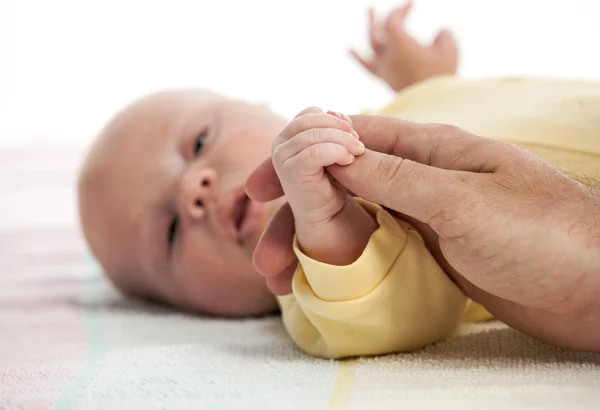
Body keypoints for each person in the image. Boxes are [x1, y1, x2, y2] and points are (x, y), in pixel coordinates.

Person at [77, 2, 600, 357]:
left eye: (196, 144)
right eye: (168, 232)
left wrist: (427, 83)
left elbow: (452, 118)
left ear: (259, 104)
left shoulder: (389, 118)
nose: (193, 190)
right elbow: (398, 311)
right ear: (191, 308)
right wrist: (326, 227)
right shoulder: (314, 292)